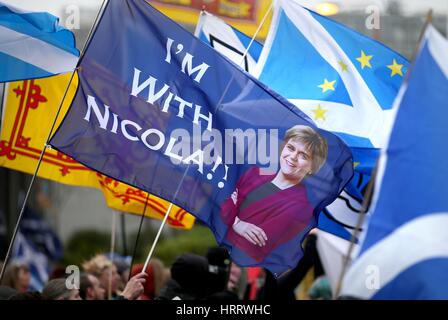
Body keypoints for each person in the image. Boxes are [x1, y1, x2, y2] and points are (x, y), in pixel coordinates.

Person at [221, 125, 328, 262]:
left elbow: (256, 241)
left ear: (312, 167)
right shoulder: (254, 173)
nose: (293, 157)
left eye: (303, 156)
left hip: (243, 263)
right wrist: (237, 223)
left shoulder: (302, 208)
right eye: (290, 148)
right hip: (219, 250)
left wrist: (231, 214)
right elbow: (220, 204)